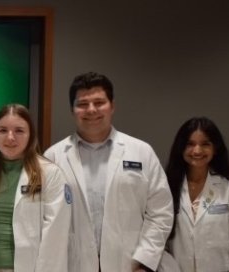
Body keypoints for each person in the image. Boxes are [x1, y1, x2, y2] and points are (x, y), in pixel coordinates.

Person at [43, 72, 173, 272]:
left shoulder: (141, 152)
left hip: (130, 264)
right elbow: (44, 218)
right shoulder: (53, 157)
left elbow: (161, 212)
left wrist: (145, 261)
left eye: (99, 102)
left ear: (112, 106)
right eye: (83, 104)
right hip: (73, 265)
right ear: (72, 110)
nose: (91, 110)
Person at [0, 104, 71, 272]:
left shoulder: (50, 174)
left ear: (30, 135)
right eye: (2, 130)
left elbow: (56, 237)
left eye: (19, 131)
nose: (10, 137)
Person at [165, 117, 229, 271]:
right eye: (190, 144)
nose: (197, 150)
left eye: (205, 144)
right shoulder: (167, 189)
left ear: (215, 148)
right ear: (181, 148)